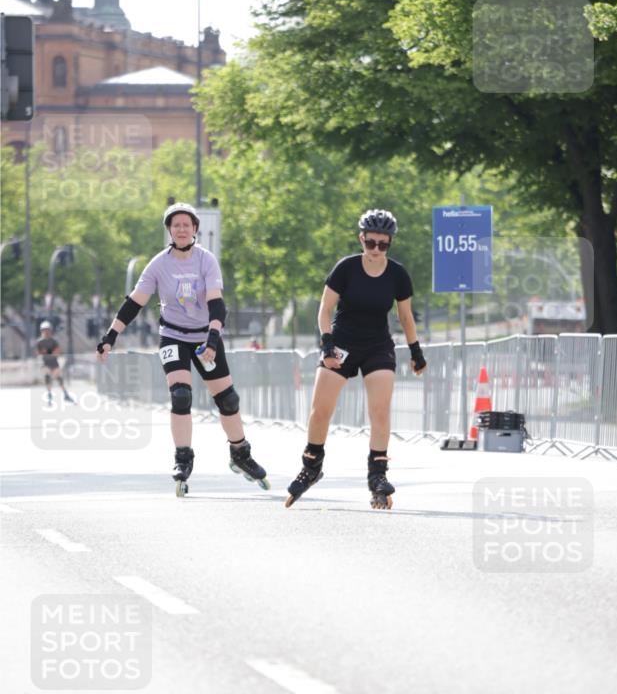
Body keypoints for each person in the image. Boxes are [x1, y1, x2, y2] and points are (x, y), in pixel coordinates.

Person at [95, 202, 269, 496]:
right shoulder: (159, 264)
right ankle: (182, 459)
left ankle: (240, 454)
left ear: (195, 229)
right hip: (173, 337)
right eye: (176, 225)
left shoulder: (206, 260)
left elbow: (216, 302)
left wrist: (213, 340)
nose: (182, 229)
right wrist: (110, 336)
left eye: (187, 225)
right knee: (181, 395)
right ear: (169, 231)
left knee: (227, 399)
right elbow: (134, 302)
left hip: (205, 336)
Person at [285, 208, 426, 510]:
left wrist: (416, 351)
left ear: (390, 243)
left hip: (377, 345)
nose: (376, 250)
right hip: (343, 342)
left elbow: (405, 316)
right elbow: (324, 308)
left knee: (379, 409)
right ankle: (311, 466)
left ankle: (377, 476)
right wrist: (326, 346)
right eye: (370, 243)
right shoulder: (346, 268)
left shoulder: (398, 275)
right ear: (361, 239)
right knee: (321, 409)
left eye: (383, 244)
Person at [36, 320, 74, 404]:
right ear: (41, 331)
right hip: (45, 363)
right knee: (47, 377)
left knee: (59, 378)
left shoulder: (54, 341)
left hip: (54, 363)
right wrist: (49, 352)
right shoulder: (39, 342)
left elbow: (57, 352)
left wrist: (48, 352)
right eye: (44, 330)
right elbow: (39, 353)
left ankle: (65, 394)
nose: (46, 332)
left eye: (48, 330)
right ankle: (49, 395)